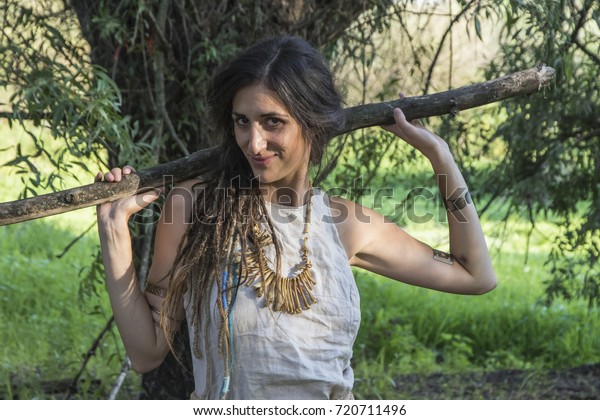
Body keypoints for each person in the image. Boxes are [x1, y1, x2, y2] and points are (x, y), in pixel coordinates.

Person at [95, 35, 497, 400]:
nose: (254, 143)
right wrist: (114, 235)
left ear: (313, 123)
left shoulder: (345, 224)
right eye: (242, 121)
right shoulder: (197, 208)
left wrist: (440, 157)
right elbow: (146, 352)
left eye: (273, 122)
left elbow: (474, 275)